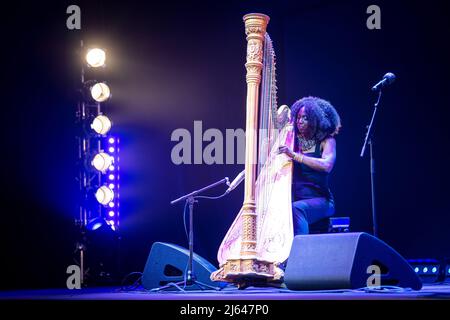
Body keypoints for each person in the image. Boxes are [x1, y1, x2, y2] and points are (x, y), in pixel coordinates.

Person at [278, 96, 341, 235]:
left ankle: (302, 254)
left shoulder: (326, 141)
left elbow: (327, 165)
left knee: (296, 209)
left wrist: (296, 156)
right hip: (298, 199)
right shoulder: (293, 141)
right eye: (298, 117)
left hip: (322, 201)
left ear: (314, 120)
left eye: (305, 118)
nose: (300, 121)